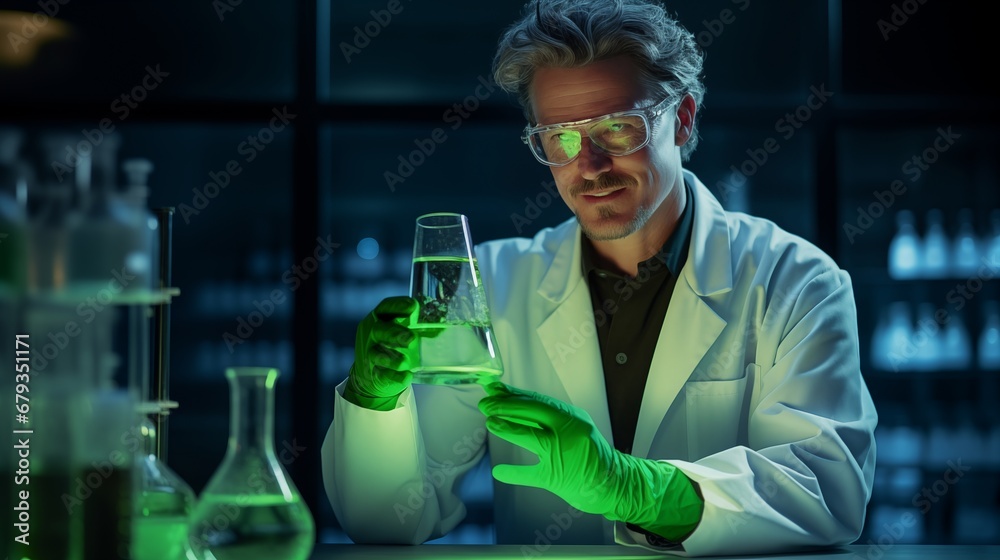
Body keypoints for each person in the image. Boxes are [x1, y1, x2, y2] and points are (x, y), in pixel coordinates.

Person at [321, 0, 877, 555]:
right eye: (559, 137)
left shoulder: (793, 280)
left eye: (617, 128)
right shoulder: (492, 282)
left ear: (681, 119)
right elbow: (391, 521)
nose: (588, 164)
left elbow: (828, 490)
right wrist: (374, 399)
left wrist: (630, 487)